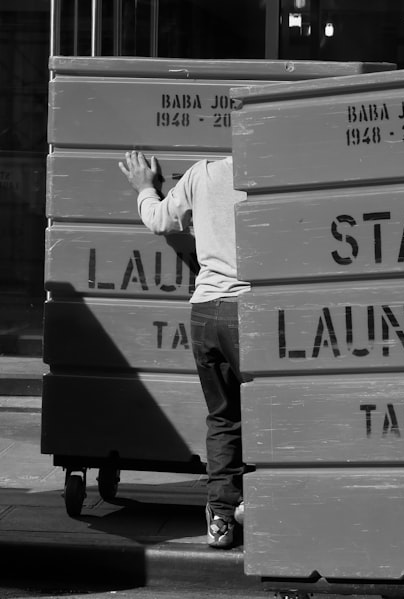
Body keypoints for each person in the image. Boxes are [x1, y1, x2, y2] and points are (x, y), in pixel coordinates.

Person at [118, 150, 249, 549]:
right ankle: (263, 503)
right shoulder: (277, 175)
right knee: (268, 411)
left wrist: (145, 188)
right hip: (251, 309)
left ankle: (221, 520)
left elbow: (159, 220)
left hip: (206, 310)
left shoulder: (203, 174)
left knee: (223, 416)